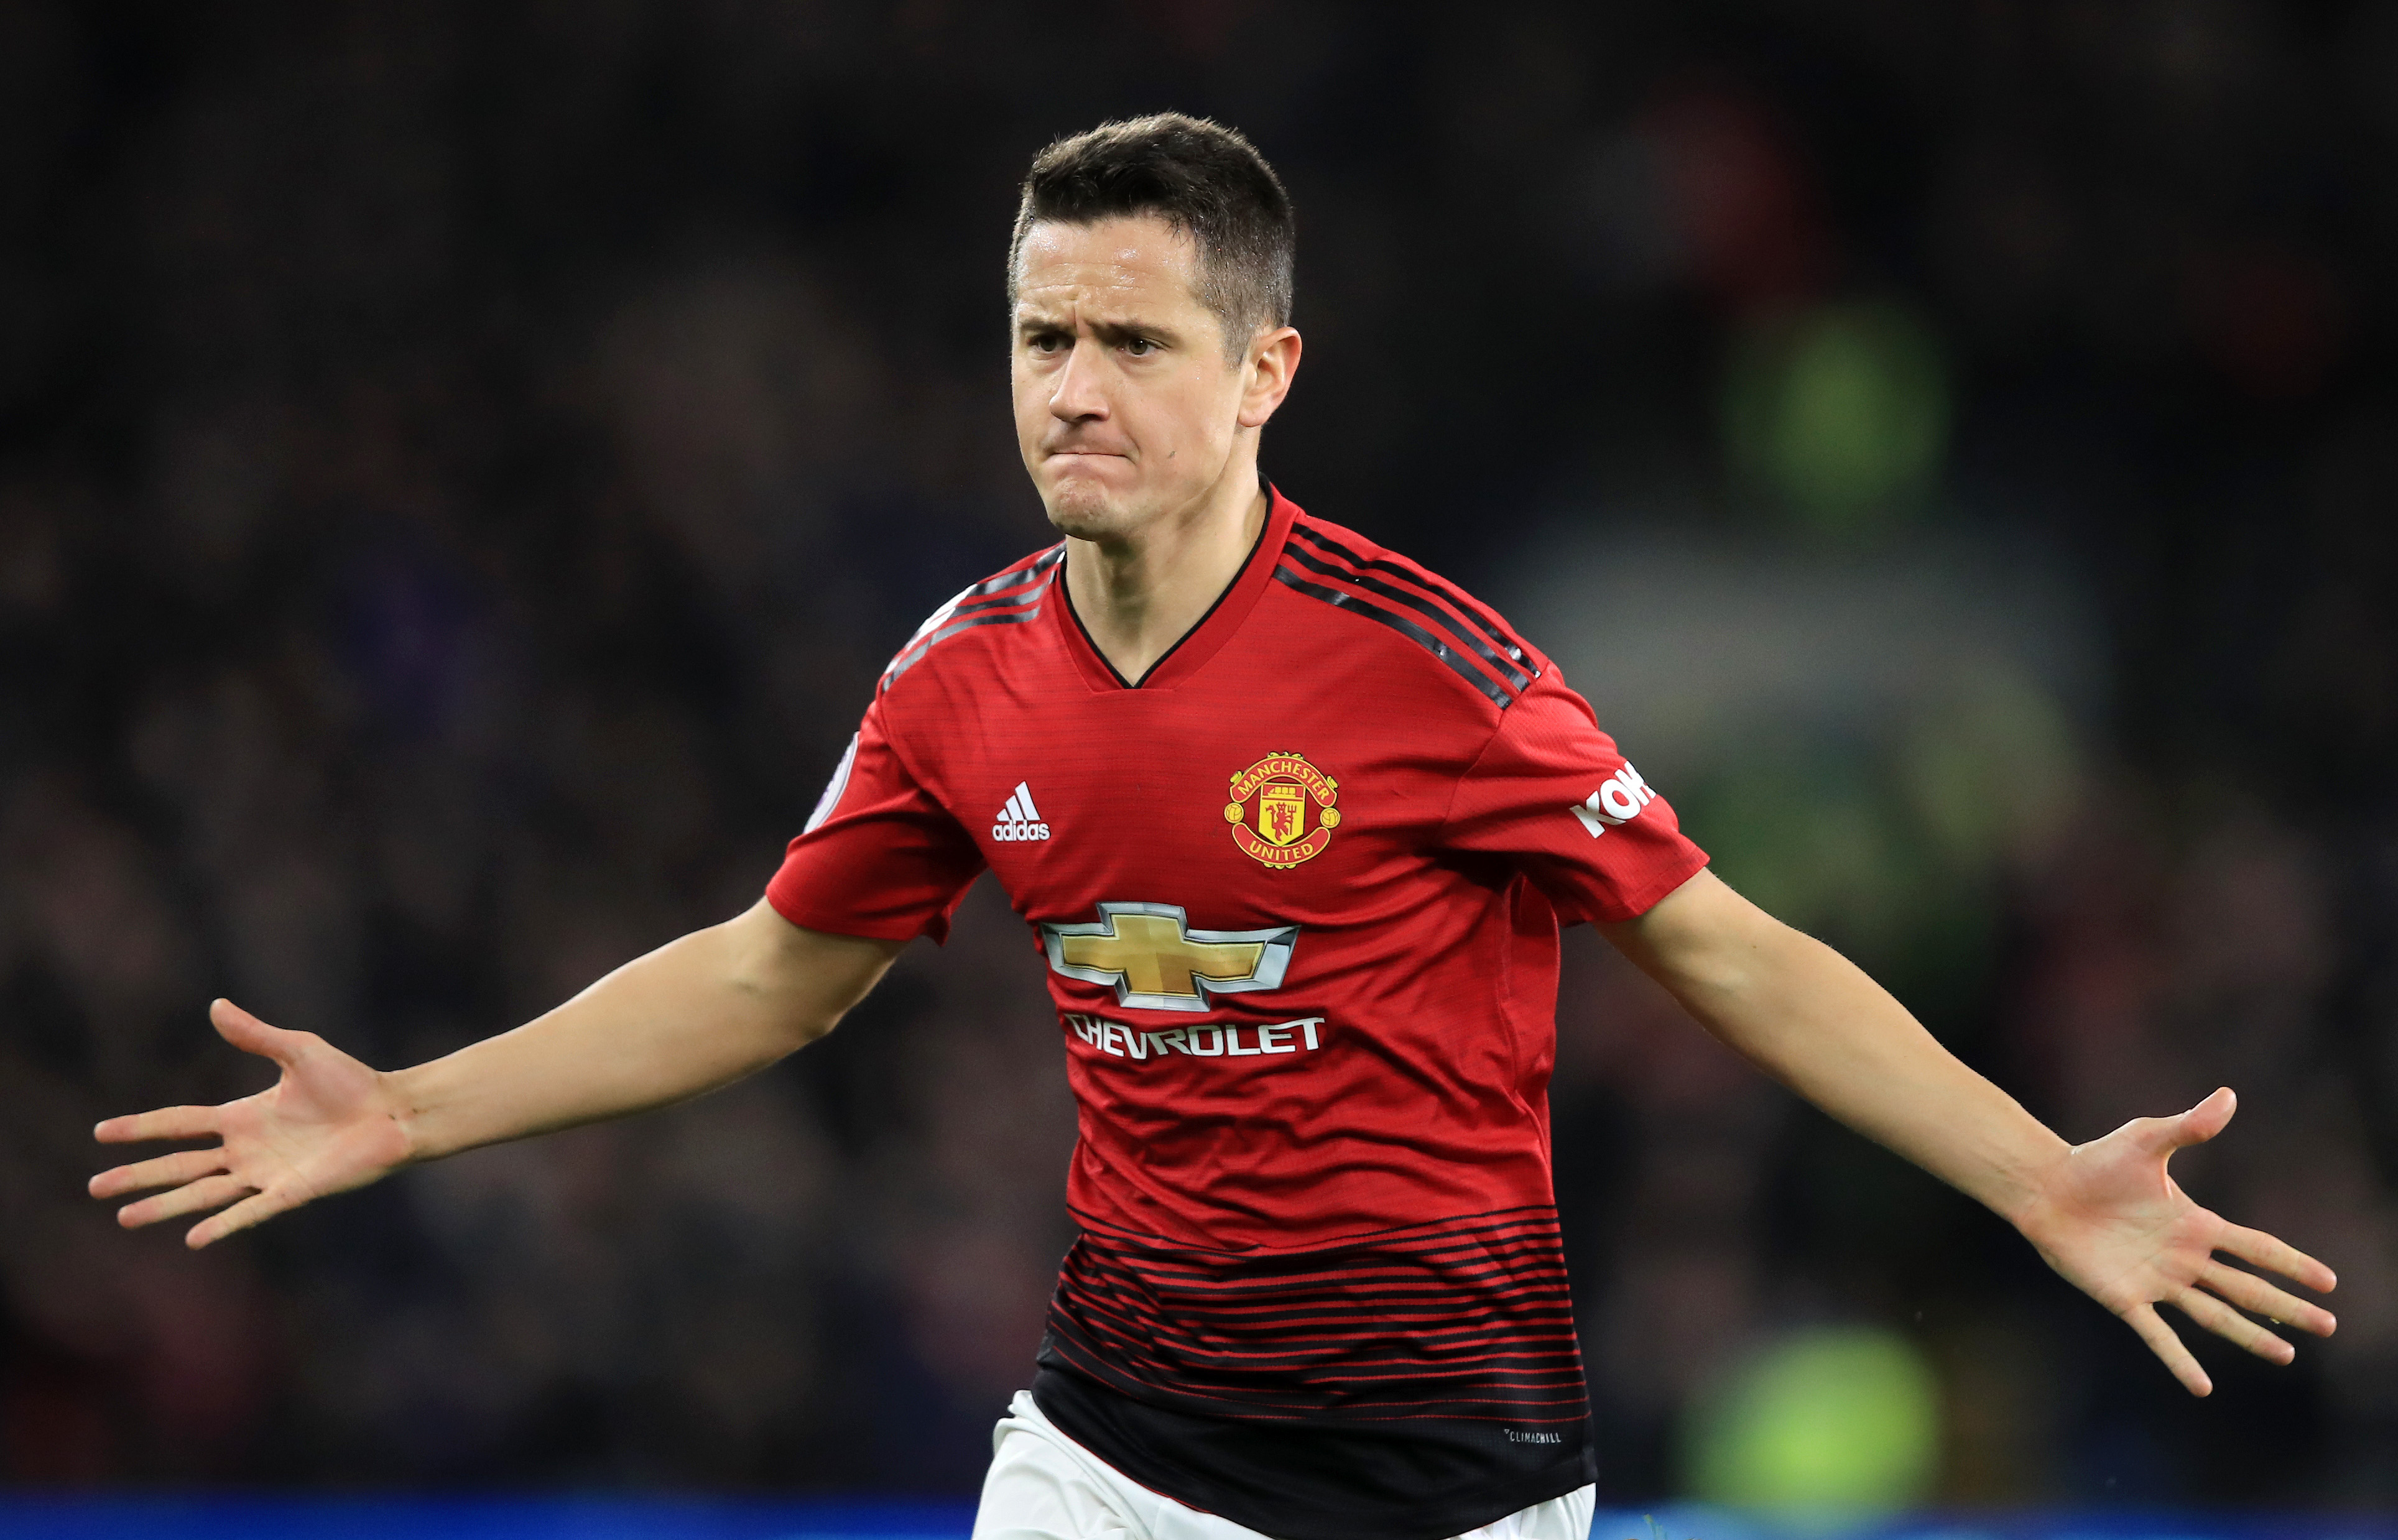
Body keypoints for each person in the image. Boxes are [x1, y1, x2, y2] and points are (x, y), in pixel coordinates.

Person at [92, 114, 2335, 1540]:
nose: (1073, 386)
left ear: (1263, 371)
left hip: (1447, 1490)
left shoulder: (1430, 669)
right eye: (1040, 333)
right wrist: (407, 1109)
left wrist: (2043, 1172)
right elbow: (776, 974)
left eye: (1137, 343)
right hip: (1109, 1469)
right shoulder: (960, 677)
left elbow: (1727, 950)